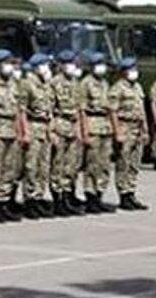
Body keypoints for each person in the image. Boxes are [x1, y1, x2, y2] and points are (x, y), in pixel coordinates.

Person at [0, 50, 28, 221]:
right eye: (6, 62)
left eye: (11, 62)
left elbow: (17, 111)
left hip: (11, 130)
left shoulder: (13, 84)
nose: (10, 66)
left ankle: (4, 201)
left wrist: (20, 131)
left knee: (10, 168)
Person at [17, 54, 56, 217]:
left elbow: (51, 110)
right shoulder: (27, 84)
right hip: (33, 126)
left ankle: (39, 197)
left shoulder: (46, 84)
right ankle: (30, 200)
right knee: (31, 166)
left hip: (45, 128)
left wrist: (52, 130)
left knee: (43, 166)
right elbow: (22, 110)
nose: (48, 68)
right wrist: (25, 132)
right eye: (45, 64)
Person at [49, 51, 88, 215]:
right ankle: (57, 200)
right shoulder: (54, 83)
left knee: (70, 165)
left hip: (72, 125)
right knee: (58, 164)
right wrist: (51, 131)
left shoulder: (74, 82)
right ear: (61, 65)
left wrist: (79, 130)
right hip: (59, 124)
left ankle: (66, 197)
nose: (72, 66)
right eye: (69, 63)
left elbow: (78, 109)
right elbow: (50, 109)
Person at [111, 57, 151, 211]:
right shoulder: (118, 88)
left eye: (135, 68)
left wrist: (145, 130)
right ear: (123, 72)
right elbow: (113, 111)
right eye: (131, 69)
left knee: (135, 164)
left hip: (137, 129)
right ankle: (123, 195)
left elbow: (142, 110)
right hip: (125, 127)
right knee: (124, 163)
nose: (134, 71)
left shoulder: (137, 87)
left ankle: (131, 193)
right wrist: (117, 132)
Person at [80, 52, 116, 213]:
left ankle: (99, 195)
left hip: (105, 126)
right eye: (98, 64)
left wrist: (113, 129)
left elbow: (109, 108)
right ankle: (90, 197)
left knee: (105, 164)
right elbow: (82, 110)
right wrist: (85, 132)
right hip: (92, 124)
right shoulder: (86, 83)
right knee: (92, 164)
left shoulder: (105, 83)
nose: (102, 67)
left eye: (103, 63)